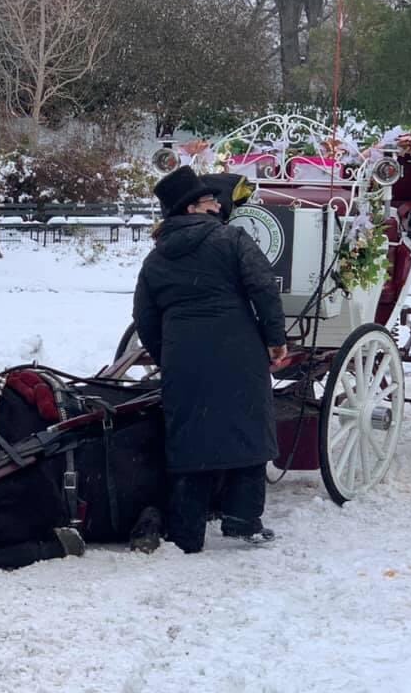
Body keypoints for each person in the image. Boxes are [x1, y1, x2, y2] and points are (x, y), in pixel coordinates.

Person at [132, 166, 287, 554]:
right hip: (239, 350)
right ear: (193, 208)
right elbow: (263, 287)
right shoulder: (231, 239)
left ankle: (186, 532)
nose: (216, 204)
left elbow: (145, 319)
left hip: (184, 357)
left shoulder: (155, 260)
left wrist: (169, 354)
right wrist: (274, 339)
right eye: (208, 199)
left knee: (190, 438)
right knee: (248, 428)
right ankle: (242, 520)